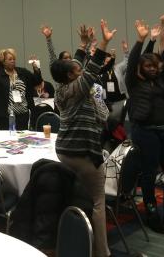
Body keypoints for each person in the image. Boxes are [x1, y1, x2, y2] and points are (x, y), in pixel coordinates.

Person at [51, 20, 115, 257]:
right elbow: (91, 68)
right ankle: (103, 252)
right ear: (71, 75)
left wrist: (82, 45)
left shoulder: (62, 89)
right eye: (76, 70)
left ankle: (76, 237)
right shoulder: (77, 87)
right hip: (82, 152)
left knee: (77, 194)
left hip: (64, 150)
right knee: (98, 201)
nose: (80, 69)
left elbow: (78, 66)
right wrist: (104, 42)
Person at [126, 18, 164, 233]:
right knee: (149, 174)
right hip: (145, 133)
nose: (154, 69)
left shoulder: (160, 80)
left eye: (155, 66)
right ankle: (152, 214)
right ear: (140, 69)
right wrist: (140, 40)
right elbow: (134, 60)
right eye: (148, 66)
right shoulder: (133, 83)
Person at [0, 47, 41, 130]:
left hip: (23, 115)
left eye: (14, 59)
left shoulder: (22, 72)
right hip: (4, 116)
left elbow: (37, 82)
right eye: (10, 59)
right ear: (4, 62)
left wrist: (36, 68)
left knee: (21, 140)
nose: (13, 61)